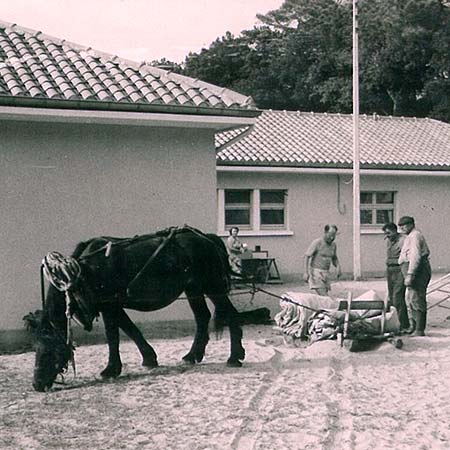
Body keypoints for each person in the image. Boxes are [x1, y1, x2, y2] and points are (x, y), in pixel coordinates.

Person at [398, 216, 431, 336]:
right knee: (411, 299)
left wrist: (410, 274)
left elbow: (415, 256)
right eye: (400, 226)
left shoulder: (415, 236)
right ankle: (414, 327)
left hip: (418, 271)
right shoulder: (410, 236)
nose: (402, 228)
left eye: (404, 225)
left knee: (417, 298)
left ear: (411, 224)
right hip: (413, 269)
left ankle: (419, 329)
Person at [382, 222, 409, 332]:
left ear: (395, 231)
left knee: (398, 297)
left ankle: (404, 324)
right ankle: (395, 323)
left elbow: (406, 257)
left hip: (399, 270)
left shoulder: (403, 240)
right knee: (392, 298)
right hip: (390, 270)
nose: (387, 236)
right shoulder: (389, 240)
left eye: (388, 233)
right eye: (385, 233)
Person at [304, 224, 342, 296]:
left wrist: (338, 267)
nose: (331, 237)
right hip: (316, 273)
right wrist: (306, 272)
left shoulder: (333, 245)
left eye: (334, 235)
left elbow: (334, 258)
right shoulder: (317, 242)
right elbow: (307, 256)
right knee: (324, 296)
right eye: (330, 235)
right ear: (325, 232)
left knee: (324, 297)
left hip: (326, 273)